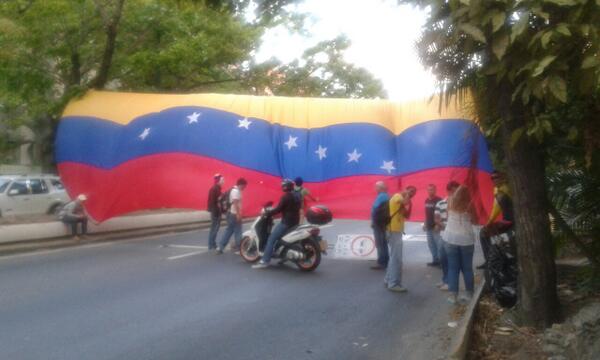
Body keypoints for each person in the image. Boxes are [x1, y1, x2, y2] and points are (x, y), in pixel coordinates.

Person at [252, 179, 301, 269]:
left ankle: (265, 261)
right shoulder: (297, 195)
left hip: (286, 222)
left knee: (271, 239)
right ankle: (283, 257)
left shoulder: (286, 197)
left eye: (283, 185)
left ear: (286, 187)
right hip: (295, 221)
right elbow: (288, 208)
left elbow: (278, 209)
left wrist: (267, 212)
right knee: (282, 239)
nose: (282, 187)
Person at [444, 185, 478, 304]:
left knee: (453, 268)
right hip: (466, 240)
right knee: (467, 268)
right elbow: (475, 221)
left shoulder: (450, 201)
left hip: (450, 238)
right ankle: (469, 294)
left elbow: (448, 216)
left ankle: (453, 296)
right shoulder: (470, 204)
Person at [478, 171, 514, 269]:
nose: (494, 180)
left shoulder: (504, 190)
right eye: (492, 178)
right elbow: (495, 207)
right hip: (506, 219)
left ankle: (490, 260)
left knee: (483, 232)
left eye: (496, 177)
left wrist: (488, 223)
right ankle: (491, 258)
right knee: (486, 233)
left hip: (511, 221)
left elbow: (496, 210)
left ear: (502, 178)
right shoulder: (496, 190)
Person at [385, 185, 417, 292]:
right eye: (410, 191)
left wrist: (410, 204)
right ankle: (394, 284)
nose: (412, 193)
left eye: (414, 192)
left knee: (394, 256)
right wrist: (407, 195)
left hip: (395, 231)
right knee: (397, 258)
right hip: (393, 230)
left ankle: (388, 279)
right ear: (405, 190)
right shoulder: (397, 196)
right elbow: (405, 202)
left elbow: (406, 215)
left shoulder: (403, 201)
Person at [434, 181, 460, 291]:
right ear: (449, 191)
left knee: (452, 259)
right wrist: (444, 226)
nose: (455, 193)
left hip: (455, 236)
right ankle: (445, 279)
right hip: (443, 234)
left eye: (457, 191)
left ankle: (450, 282)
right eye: (453, 191)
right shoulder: (440, 203)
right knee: (442, 257)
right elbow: (436, 218)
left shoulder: (460, 204)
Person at [217, 178, 247, 254]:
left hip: (231, 213)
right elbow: (235, 203)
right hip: (234, 213)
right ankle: (239, 249)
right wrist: (238, 214)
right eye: (244, 186)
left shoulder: (234, 190)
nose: (244, 188)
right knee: (238, 231)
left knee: (229, 230)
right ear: (241, 184)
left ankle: (220, 247)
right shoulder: (236, 191)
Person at [370, 181, 390, 270]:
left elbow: (375, 209)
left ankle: (381, 262)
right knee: (383, 243)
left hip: (378, 222)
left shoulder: (381, 196)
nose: (375, 189)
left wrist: (372, 221)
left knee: (380, 243)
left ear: (381, 188)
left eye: (376, 187)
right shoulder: (386, 196)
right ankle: (386, 260)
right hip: (383, 223)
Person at [424, 184, 443, 267]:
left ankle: (442, 262)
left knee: (439, 245)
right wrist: (425, 223)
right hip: (428, 226)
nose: (430, 191)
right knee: (431, 244)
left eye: (432, 189)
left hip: (436, 226)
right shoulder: (426, 200)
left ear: (435, 190)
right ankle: (435, 260)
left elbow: (442, 214)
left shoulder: (439, 200)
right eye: (429, 189)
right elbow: (426, 214)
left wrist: (438, 225)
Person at [207, 174, 224, 250]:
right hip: (215, 212)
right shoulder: (214, 189)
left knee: (215, 228)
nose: (223, 181)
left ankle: (212, 244)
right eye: (222, 180)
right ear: (218, 181)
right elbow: (213, 202)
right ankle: (211, 244)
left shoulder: (217, 189)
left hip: (216, 211)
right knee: (214, 228)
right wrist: (216, 212)